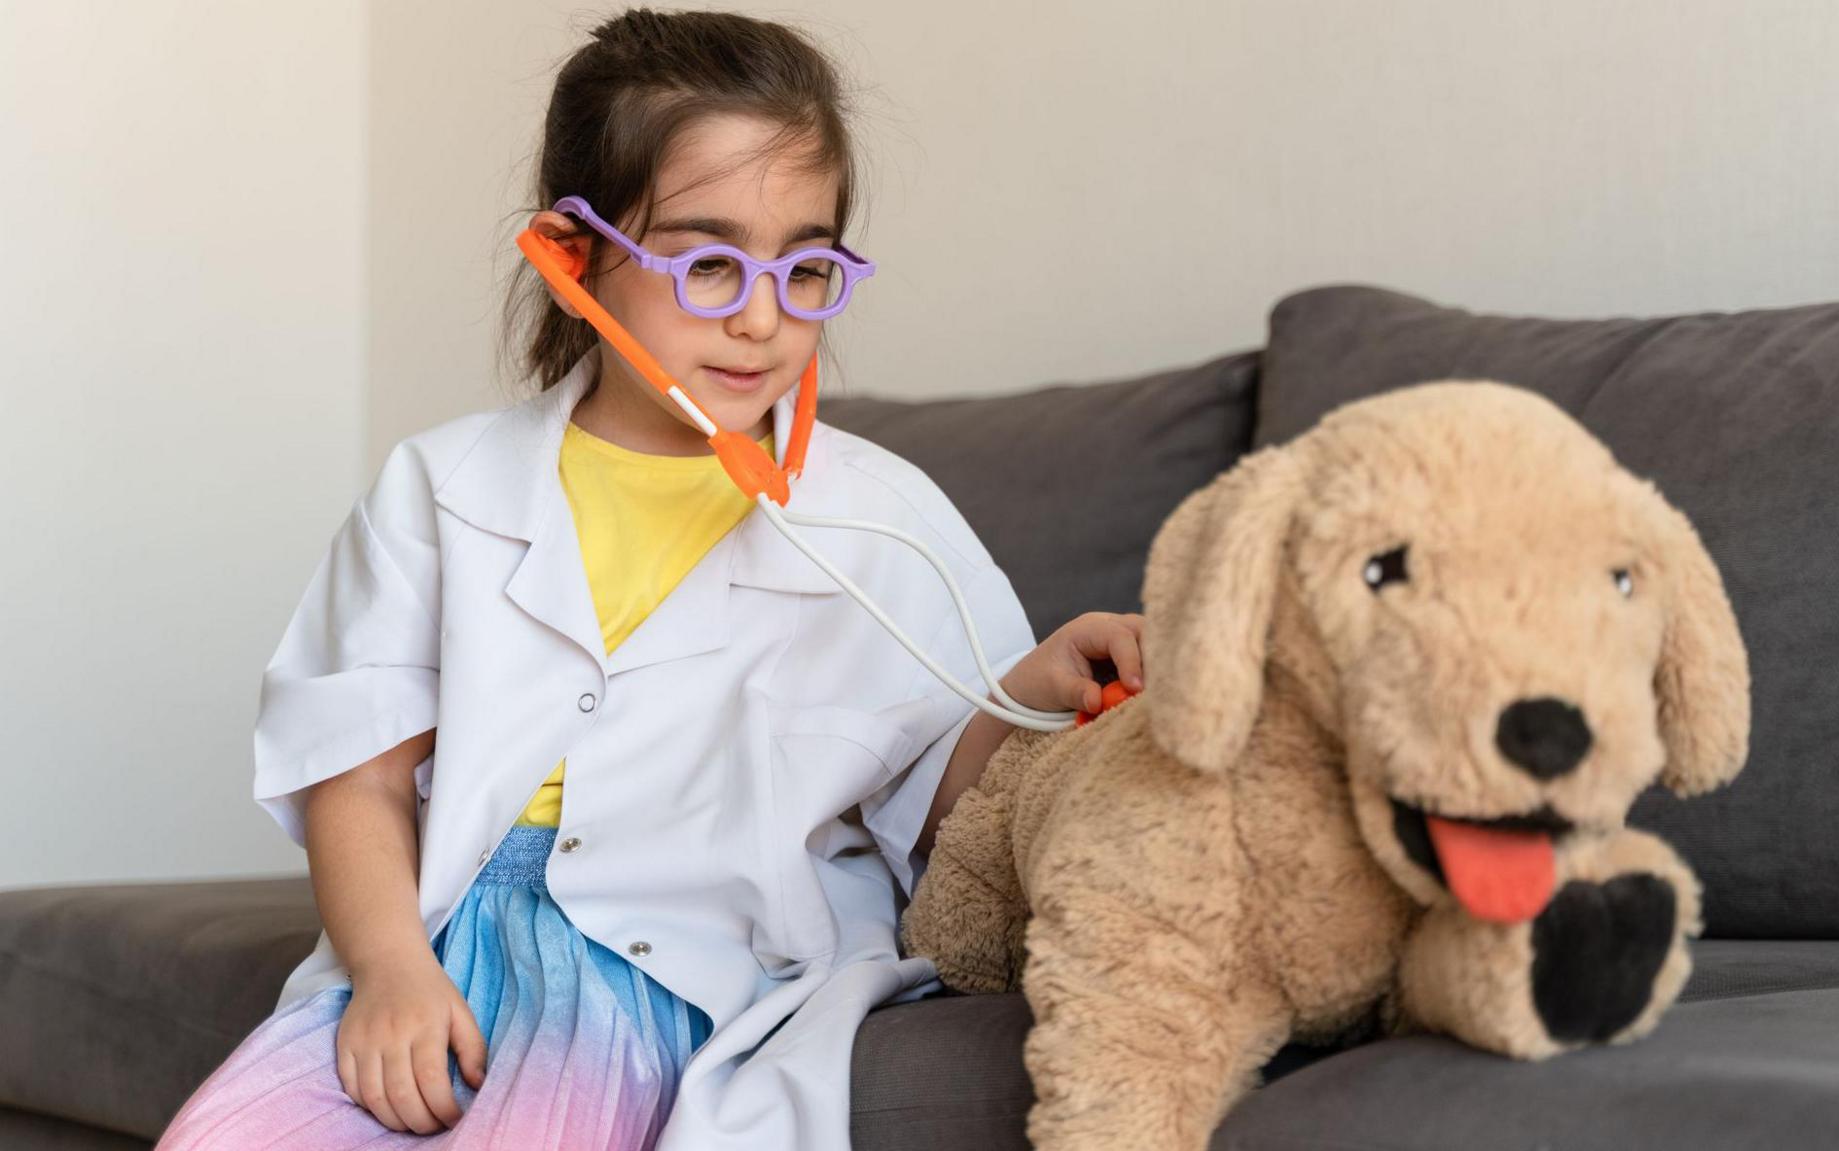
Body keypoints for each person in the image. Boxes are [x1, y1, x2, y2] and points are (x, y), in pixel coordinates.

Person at [154, 10, 1143, 1149]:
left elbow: (936, 801)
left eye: (804, 265)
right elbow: (358, 777)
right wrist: (387, 974)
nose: (763, 317)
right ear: (571, 256)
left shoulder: (884, 521)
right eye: (707, 259)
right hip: (435, 933)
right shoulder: (441, 487)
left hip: (669, 961)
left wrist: (1032, 685)